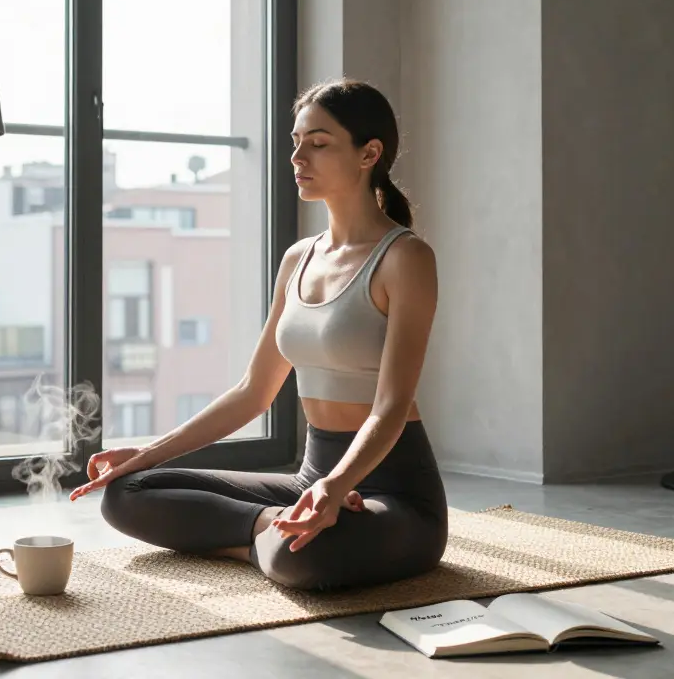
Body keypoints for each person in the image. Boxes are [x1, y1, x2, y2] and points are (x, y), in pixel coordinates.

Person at [69, 78, 447, 592]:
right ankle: (269, 530)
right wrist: (145, 454)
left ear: (369, 154)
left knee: (305, 560)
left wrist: (336, 488)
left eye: (318, 143)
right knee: (127, 491)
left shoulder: (405, 259)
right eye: (295, 143)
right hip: (309, 479)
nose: (298, 156)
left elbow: (391, 406)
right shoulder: (298, 258)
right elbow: (254, 391)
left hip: (394, 495)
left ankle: (269, 538)